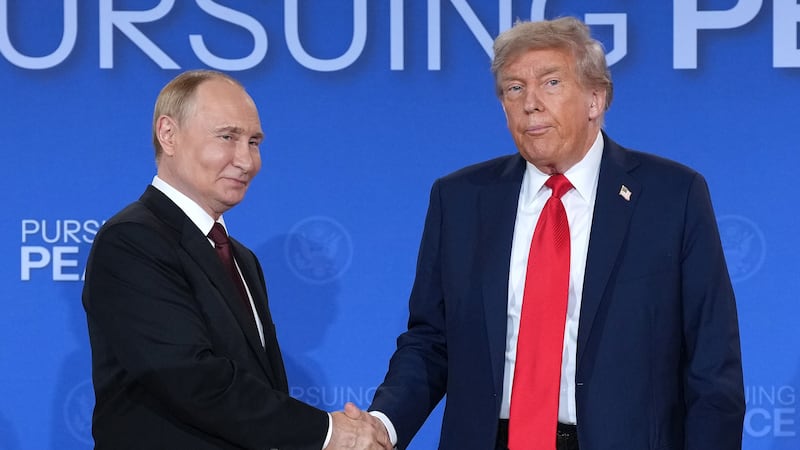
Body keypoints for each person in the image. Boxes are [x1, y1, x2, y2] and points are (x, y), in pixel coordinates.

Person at [368, 17, 745, 450]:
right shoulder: (459, 200)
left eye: (550, 83)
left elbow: (712, 365)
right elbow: (430, 342)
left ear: (595, 99)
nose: (530, 103)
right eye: (514, 88)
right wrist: (384, 424)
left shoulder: (672, 197)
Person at [82, 69, 391, 449]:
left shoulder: (241, 258)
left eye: (254, 142)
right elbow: (191, 378)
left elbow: (258, 388)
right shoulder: (132, 240)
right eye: (227, 137)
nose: (246, 160)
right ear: (168, 134)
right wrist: (329, 432)